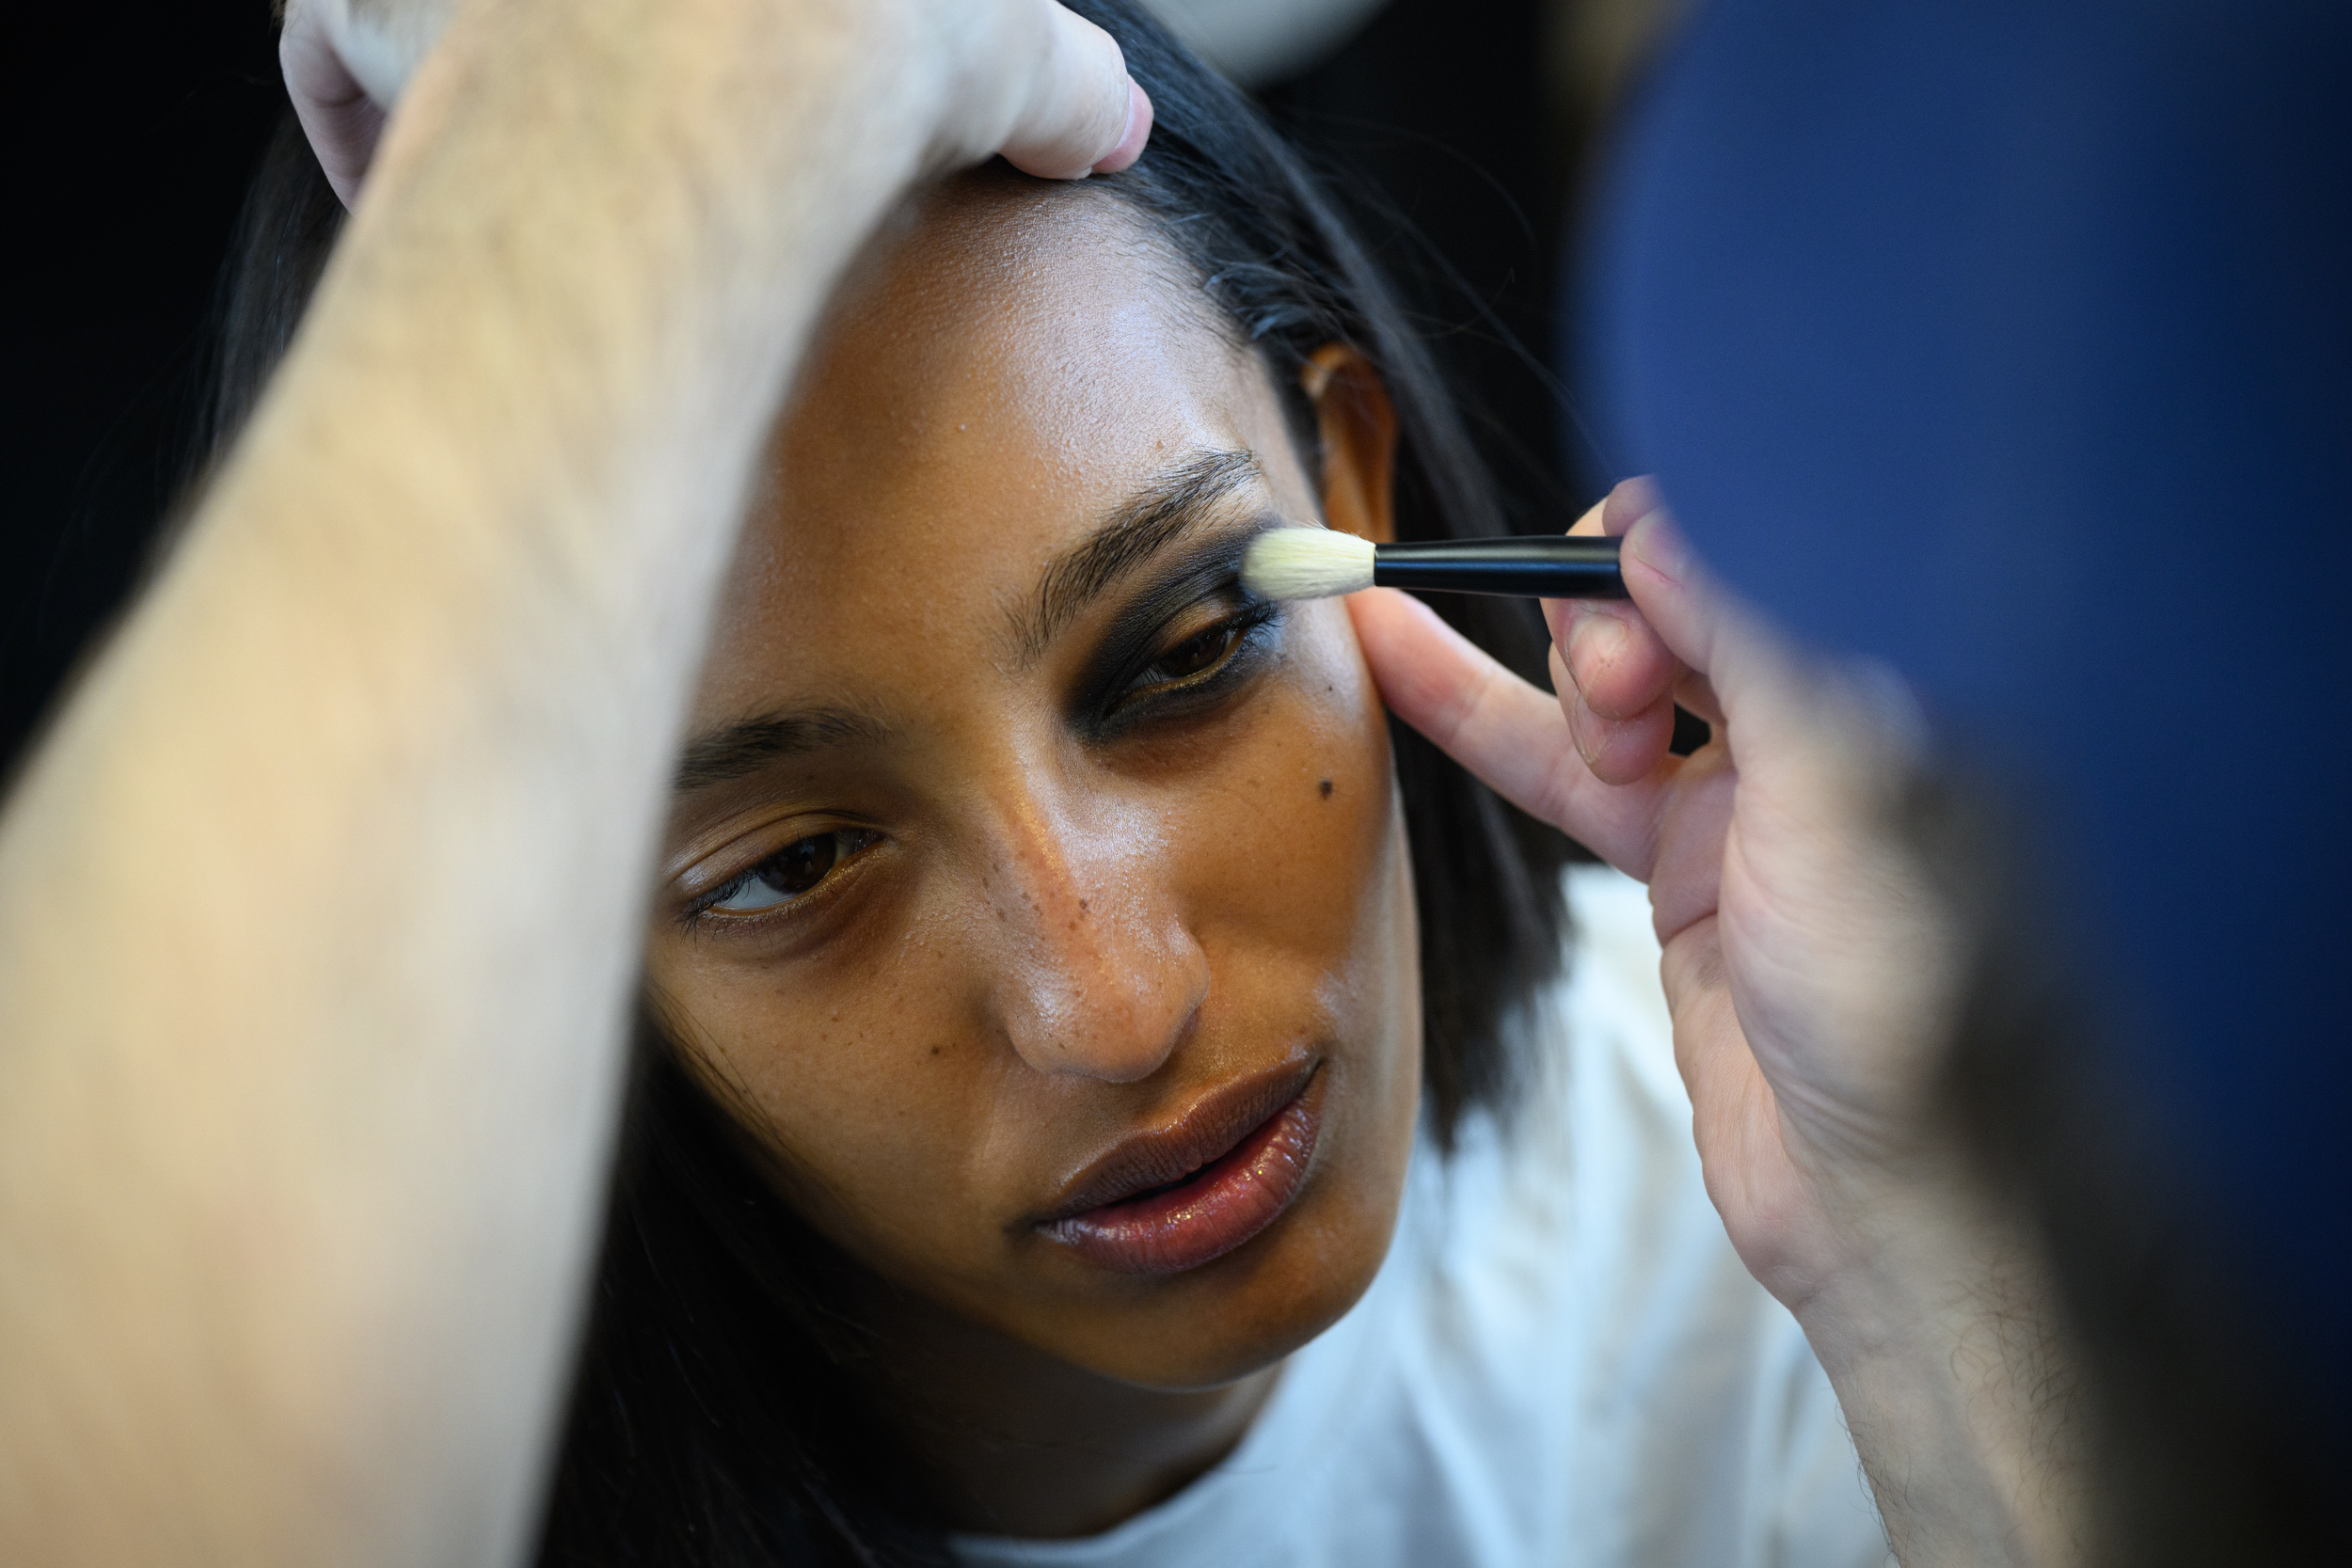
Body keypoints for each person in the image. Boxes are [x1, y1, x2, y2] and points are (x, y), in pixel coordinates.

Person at [0, 1, 2073, 1564]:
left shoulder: (1808, 1176)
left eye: (1183, 657)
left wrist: (1925, 1282)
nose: (1110, 1002)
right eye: (794, 861)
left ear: (1342, 483)